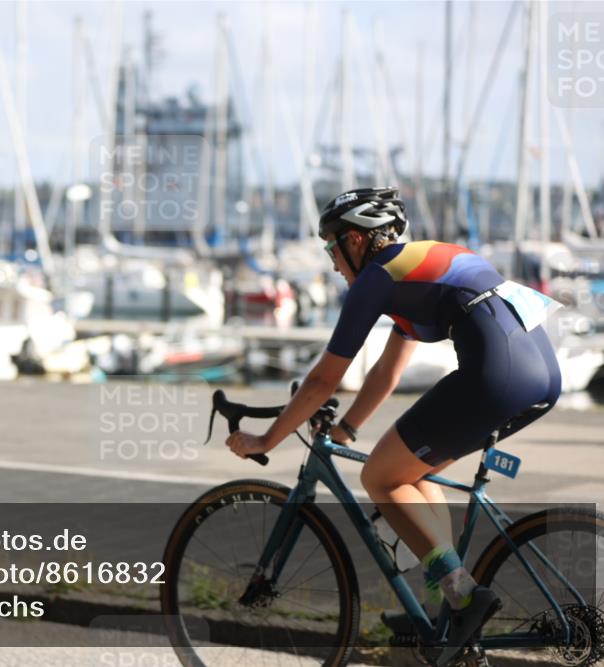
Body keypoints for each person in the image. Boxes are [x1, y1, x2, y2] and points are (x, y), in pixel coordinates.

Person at [225, 187, 561, 665]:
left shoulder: (378, 279)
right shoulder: (414, 270)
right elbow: (387, 372)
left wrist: (266, 438)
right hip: (541, 372)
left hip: (499, 371)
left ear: (356, 241)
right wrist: (346, 431)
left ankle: (463, 595)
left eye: (330, 247)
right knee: (413, 473)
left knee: (379, 477)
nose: (332, 262)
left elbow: (323, 379)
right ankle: (444, 609)